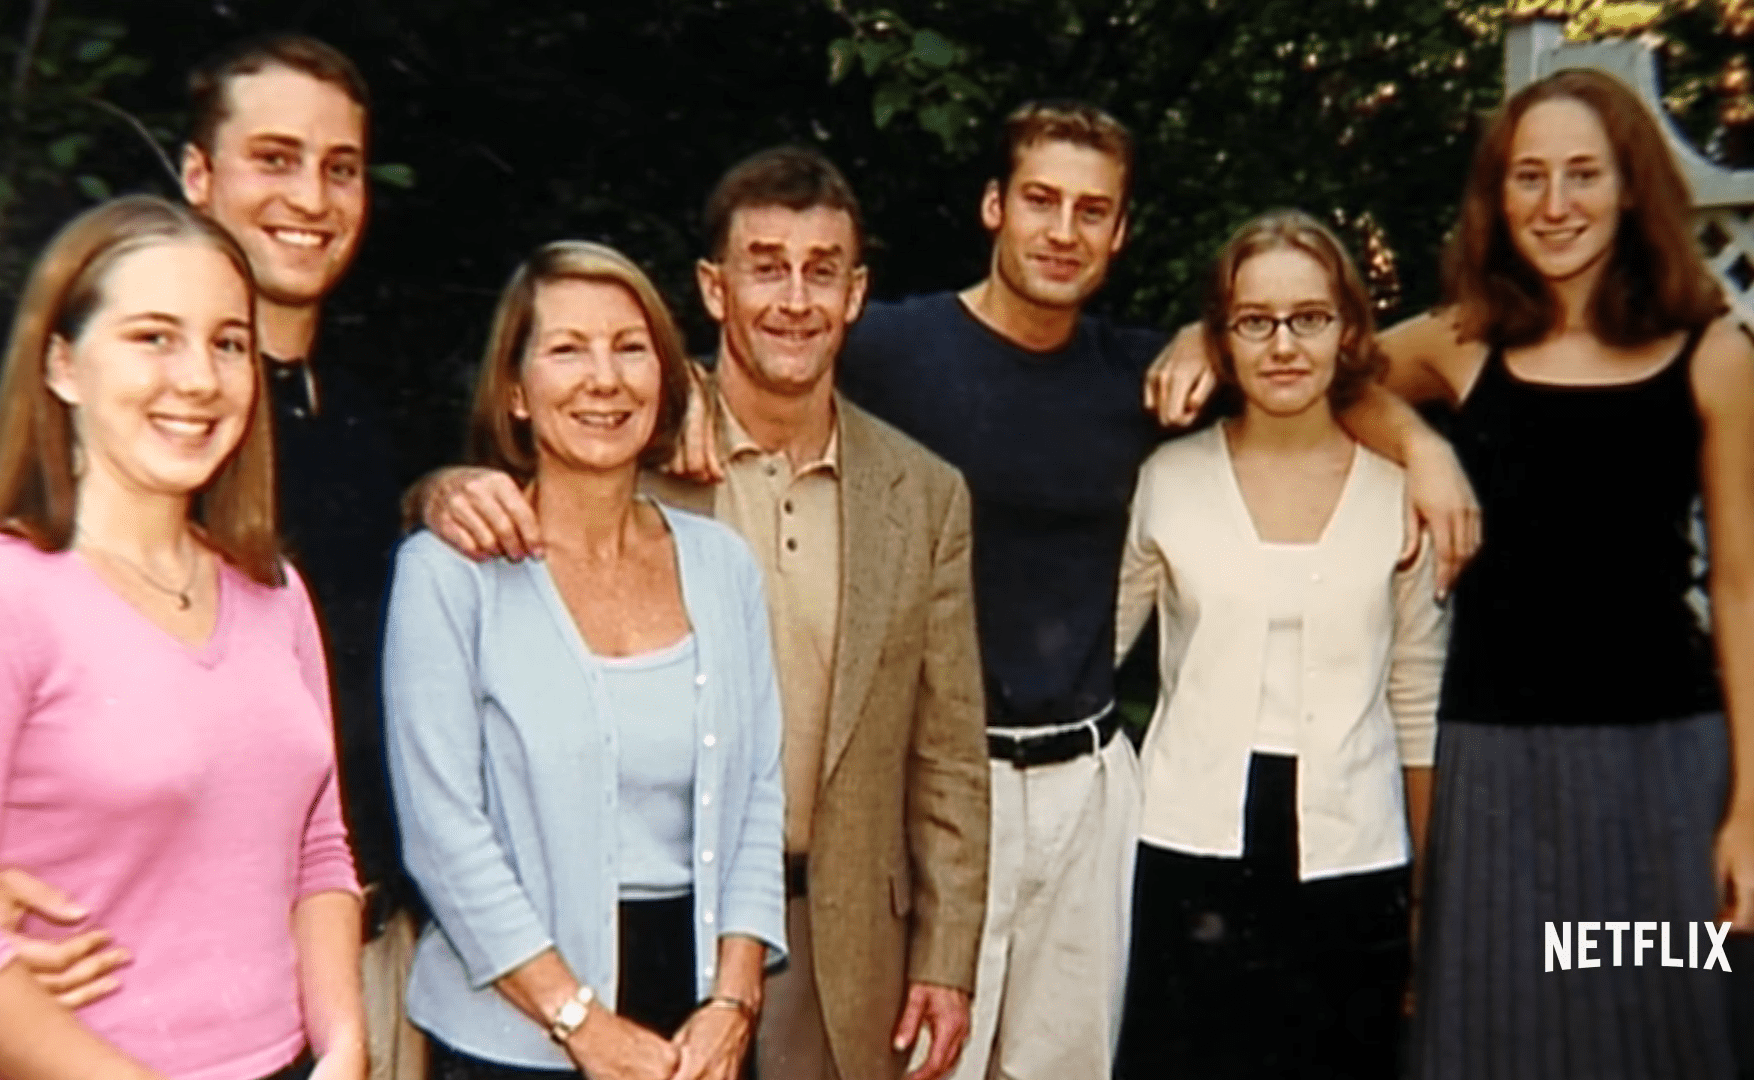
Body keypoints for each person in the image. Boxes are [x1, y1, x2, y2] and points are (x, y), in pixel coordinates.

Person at [422, 101, 1479, 1080]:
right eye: (1040, 199)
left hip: (1011, 823)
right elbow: (638, 391)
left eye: (1092, 210)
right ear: (992, 206)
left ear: (1121, 232)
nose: (1062, 230)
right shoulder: (849, 367)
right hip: (719, 880)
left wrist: (1418, 445)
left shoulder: (1138, 383)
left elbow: (1308, 376)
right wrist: (446, 489)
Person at [422, 147, 990, 1080]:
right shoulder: (631, 448)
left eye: (822, 271)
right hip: (638, 942)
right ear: (714, 288)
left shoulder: (924, 495)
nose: (795, 300)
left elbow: (949, 751)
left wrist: (946, 954)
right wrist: (439, 491)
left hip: (844, 939)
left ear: (856, 294)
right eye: (766, 267)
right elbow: (508, 497)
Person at [0, 36, 423, 1072]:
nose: (311, 196)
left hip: (346, 964)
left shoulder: (358, 420)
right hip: (128, 1002)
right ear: (197, 174)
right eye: (274, 157)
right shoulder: (125, 428)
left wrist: (435, 490)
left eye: (341, 167)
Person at [1380, 68, 1754, 1079]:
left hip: (1666, 771)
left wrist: (1752, 812)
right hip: (1498, 774)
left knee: (1666, 1029)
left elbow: (1742, 587)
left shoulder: (1713, 353)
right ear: (1498, 195)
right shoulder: (1462, 341)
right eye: (1528, 176)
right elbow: (1322, 373)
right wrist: (1421, 445)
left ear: (1632, 186)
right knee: (1506, 1038)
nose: (1555, 204)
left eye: (1583, 174)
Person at [0, 195, 364, 1080]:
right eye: (154, 337)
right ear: (62, 364)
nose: (198, 379)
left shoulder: (275, 592)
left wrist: (345, 1044)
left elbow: (318, 850)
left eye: (228, 343)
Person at [382, 240, 785, 1080]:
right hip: (514, 1033)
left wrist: (734, 1000)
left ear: (664, 378)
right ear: (515, 391)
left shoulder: (722, 565)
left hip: (702, 1032)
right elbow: (443, 834)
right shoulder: (448, 576)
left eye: (630, 348)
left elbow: (757, 794)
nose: (605, 379)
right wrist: (581, 1022)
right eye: (568, 349)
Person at [1111, 210, 1444, 1079]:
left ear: (1349, 331)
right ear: (1221, 339)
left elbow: (1416, 703)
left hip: (1354, 857)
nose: (1285, 345)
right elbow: (1091, 662)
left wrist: (1424, 896)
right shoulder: (1169, 480)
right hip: (1187, 849)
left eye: (1310, 318)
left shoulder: (1401, 495)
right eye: (1255, 321)